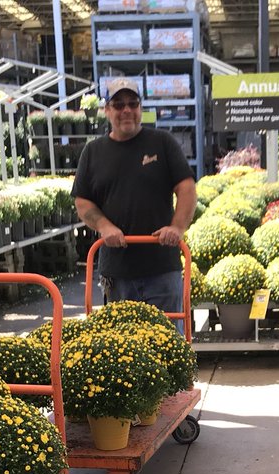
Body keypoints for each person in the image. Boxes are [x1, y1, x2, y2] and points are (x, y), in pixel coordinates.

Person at [73, 78, 197, 323]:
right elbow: (83, 202)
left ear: (141, 108)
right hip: (117, 273)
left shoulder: (162, 143)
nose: (126, 110)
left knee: (168, 343)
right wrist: (104, 226)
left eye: (133, 103)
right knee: (124, 349)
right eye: (118, 105)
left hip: (162, 268)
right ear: (107, 110)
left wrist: (177, 227)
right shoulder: (93, 152)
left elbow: (187, 189)